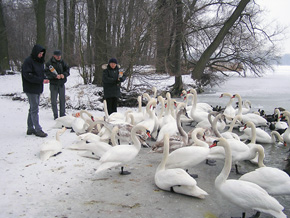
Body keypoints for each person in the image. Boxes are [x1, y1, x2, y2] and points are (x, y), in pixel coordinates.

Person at [21, 44, 48, 137]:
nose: (41, 55)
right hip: (30, 88)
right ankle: (38, 129)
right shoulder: (28, 61)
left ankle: (30, 128)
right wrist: (40, 80)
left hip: (37, 88)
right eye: (40, 53)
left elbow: (41, 73)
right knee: (34, 109)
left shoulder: (40, 62)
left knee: (32, 108)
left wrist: (45, 77)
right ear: (36, 53)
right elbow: (28, 75)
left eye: (42, 54)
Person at [45, 50, 70, 119]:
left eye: (60, 55)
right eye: (57, 56)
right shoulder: (49, 63)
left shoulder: (63, 62)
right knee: (53, 100)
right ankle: (55, 116)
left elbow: (67, 70)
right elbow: (47, 73)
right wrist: (55, 76)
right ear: (54, 56)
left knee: (62, 100)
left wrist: (63, 75)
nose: (59, 57)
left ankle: (62, 115)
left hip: (61, 84)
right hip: (53, 84)